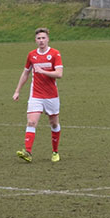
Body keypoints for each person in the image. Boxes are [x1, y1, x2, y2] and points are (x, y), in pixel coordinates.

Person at [13, 28, 63, 163]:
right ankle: (27, 152)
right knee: (31, 121)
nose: (41, 41)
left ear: (48, 39)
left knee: (54, 123)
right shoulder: (31, 55)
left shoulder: (54, 54)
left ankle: (55, 151)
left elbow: (59, 74)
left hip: (51, 95)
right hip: (36, 94)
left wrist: (43, 71)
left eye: (43, 38)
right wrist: (17, 90)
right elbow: (25, 74)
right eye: (39, 38)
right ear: (35, 40)